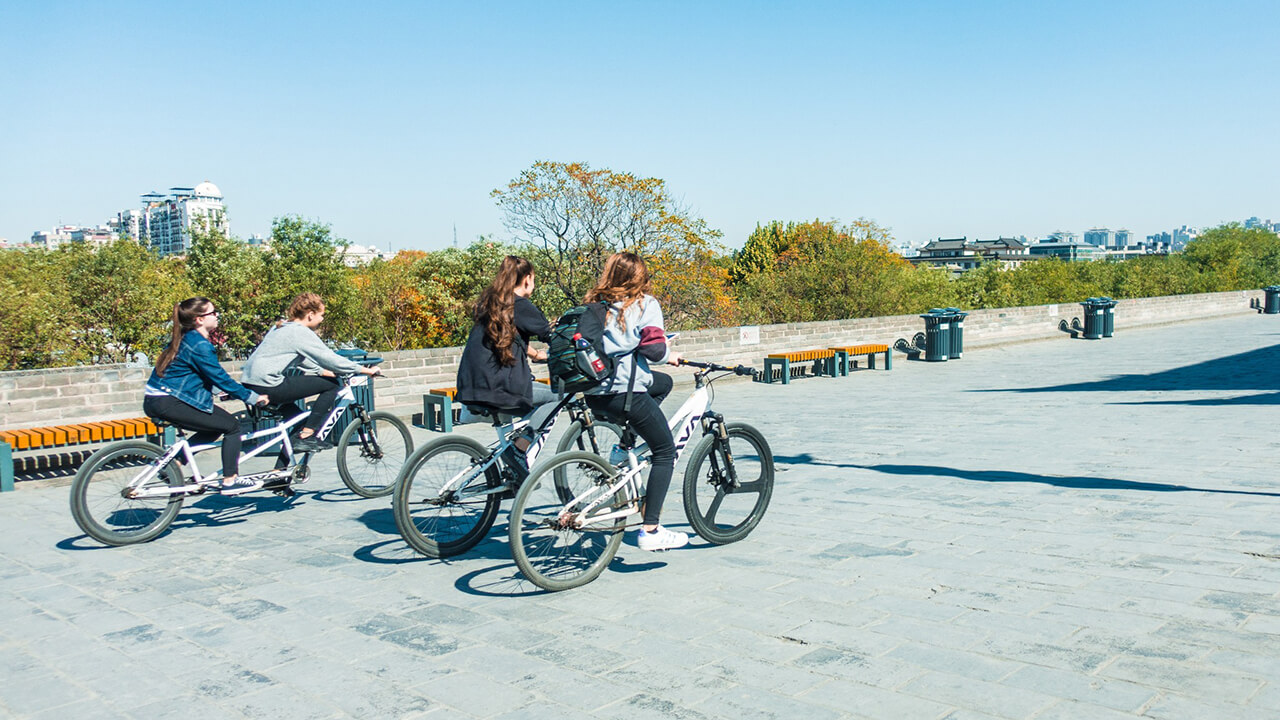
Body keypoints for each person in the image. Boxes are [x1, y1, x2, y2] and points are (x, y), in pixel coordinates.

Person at [582, 252, 686, 551]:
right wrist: (670, 353)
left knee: (661, 383)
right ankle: (651, 530)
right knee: (665, 450)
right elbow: (654, 350)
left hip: (595, 395)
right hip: (625, 394)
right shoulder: (644, 304)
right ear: (639, 278)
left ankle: (624, 446)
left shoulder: (595, 305)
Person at [143, 297, 268, 494]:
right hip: (169, 401)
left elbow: (197, 374)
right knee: (232, 427)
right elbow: (219, 376)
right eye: (213, 312)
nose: (217, 316)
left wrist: (221, 392)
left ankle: (173, 465)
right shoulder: (199, 344)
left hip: (159, 399)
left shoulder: (186, 338)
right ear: (199, 319)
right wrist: (252, 397)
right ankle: (230, 480)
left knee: (213, 427)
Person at [241, 293, 380, 454]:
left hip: (251, 384)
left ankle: (283, 471)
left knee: (299, 422)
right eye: (321, 315)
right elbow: (330, 358)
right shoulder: (299, 332)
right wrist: (366, 370)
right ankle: (307, 435)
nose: (322, 319)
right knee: (331, 386)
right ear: (310, 314)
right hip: (268, 384)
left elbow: (302, 359)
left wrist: (323, 371)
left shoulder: (282, 327)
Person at [455, 256, 554, 475]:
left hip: (471, 383)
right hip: (499, 386)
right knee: (555, 397)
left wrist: (535, 354)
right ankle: (521, 447)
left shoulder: (491, 303)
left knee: (534, 397)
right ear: (527, 279)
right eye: (534, 280)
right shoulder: (522, 305)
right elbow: (553, 337)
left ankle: (512, 469)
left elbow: (507, 336)